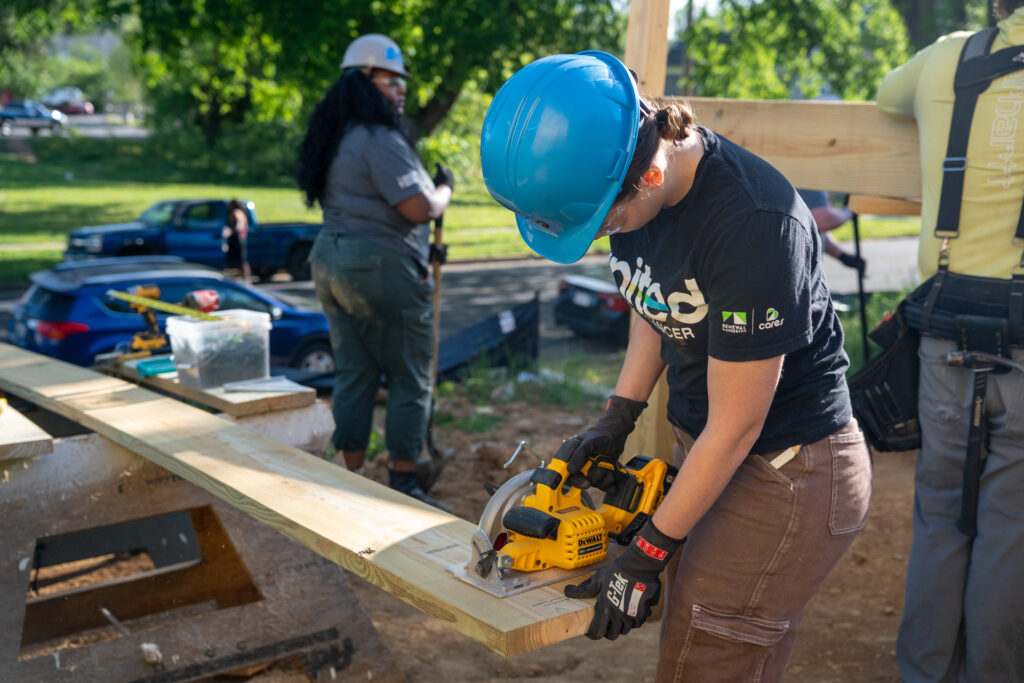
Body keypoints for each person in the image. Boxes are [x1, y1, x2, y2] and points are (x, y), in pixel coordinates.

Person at [480, 51, 871, 681]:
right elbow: (653, 295)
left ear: (651, 175)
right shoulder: (629, 189)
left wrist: (647, 552)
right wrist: (618, 417)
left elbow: (738, 424)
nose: (606, 234)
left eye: (606, 220)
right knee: (720, 648)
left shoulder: (753, 227)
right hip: (717, 453)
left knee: (704, 657)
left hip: (784, 472)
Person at [876, 3, 1024, 679]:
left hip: (944, 327)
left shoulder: (949, 57)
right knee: (1009, 528)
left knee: (939, 517)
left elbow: (884, 96)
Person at [296, 34, 454, 511]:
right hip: (379, 264)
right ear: (363, 81)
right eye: (390, 81)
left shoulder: (336, 138)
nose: (400, 90)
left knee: (355, 372)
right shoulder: (377, 138)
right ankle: (405, 483)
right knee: (409, 374)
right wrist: (445, 189)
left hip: (329, 261)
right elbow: (418, 207)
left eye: (401, 82)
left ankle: (349, 478)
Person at [796, 189, 866, 275]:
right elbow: (821, 219)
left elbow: (812, 231)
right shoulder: (810, 180)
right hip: (797, 270)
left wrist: (842, 256)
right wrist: (848, 212)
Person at [223, 199, 251, 283]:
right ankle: (245, 278)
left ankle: (245, 279)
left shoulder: (236, 213)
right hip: (240, 237)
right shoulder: (240, 212)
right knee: (241, 260)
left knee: (241, 260)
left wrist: (230, 231)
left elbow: (240, 225)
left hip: (238, 238)